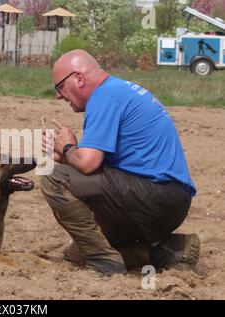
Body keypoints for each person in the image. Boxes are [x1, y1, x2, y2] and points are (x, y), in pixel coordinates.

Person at [40, 50, 200, 276]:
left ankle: (105, 263)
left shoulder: (103, 97)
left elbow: (87, 164)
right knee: (77, 254)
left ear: (78, 78)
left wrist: (67, 148)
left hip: (154, 197)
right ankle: (172, 251)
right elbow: (96, 163)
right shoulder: (117, 90)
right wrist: (66, 155)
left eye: (59, 87)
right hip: (169, 201)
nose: (59, 96)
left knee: (53, 177)